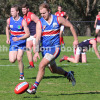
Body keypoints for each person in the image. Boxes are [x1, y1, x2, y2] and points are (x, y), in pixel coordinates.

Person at [26, 3, 78, 94]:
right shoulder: (40, 23)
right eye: (41, 13)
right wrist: (37, 51)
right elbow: (38, 38)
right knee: (54, 70)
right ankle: (68, 74)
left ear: (49, 11)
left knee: (41, 65)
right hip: (45, 50)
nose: (42, 15)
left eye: (44, 13)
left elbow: (71, 26)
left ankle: (34, 87)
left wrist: (76, 40)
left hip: (55, 48)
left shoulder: (58, 19)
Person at [6, 5, 30, 80]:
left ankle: (21, 75)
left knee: (19, 58)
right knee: (12, 60)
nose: (11, 13)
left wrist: (19, 38)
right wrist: (7, 38)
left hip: (21, 43)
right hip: (13, 43)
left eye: (13, 11)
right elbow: (7, 28)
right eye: (11, 11)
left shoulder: (23, 21)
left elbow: (28, 34)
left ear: (17, 12)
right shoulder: (9, 20)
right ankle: (15, 54)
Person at [22, 3, 39, 69]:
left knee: (35, 51)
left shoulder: (32, 15)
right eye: (22, 9)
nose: (23, 11)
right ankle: (31, 65)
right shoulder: (24, 17)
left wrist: (37, 33)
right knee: (27, 49)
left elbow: (39, 22)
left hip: (35, 35)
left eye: (24, 9)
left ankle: (46, 52)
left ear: (27, 9)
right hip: (29, 36)